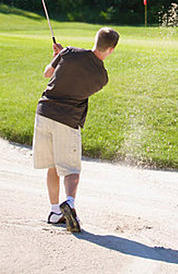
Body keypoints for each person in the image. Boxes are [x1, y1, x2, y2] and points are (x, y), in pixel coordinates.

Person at [32, 27, 119, 233]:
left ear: (95, 40)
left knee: (52, 166)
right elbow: (78, 80)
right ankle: (69, 203)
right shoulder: (102, 77)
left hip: (44, 111)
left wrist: (59, 57)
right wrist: (62, 58)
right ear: (111, 50)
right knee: (71, 169)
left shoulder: (69, 52)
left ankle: (55, 212)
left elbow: (47, 74)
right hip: (68, 120)